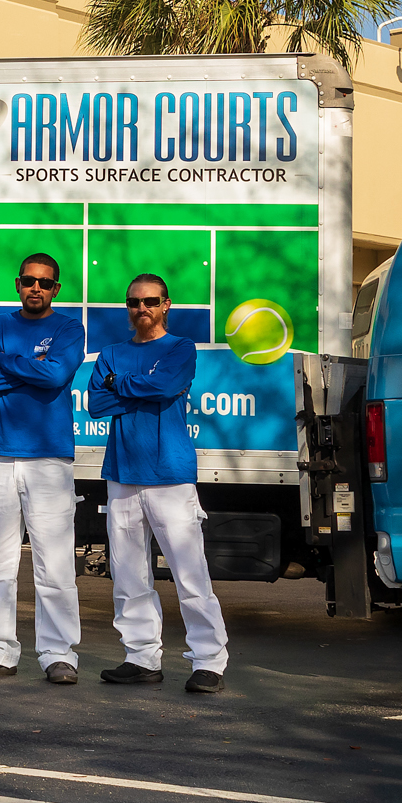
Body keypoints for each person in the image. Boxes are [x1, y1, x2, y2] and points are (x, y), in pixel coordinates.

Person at [90, 274, 229, 694]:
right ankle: (141, 657)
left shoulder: (180, 348)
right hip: (122, 476)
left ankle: (209, 661)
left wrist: (121, 385)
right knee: (129, 576)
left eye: (150, 301)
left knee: (190, 575)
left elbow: (165, 384)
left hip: (169, 476)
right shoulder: (111, 352)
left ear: (166, 304)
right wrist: (136, 389)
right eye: (134, 302)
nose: (142, 308)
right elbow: (97, 403)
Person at [0, 251, 86, 684]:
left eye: (45, 282)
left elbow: (56, 377)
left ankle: (59, 654)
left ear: (56, 288)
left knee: (54, 562)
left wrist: (5, 362)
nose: (37, 287)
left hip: (50, 457)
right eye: (29, 280)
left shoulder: (69, 327)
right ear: (18, 283)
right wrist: (33, 369)